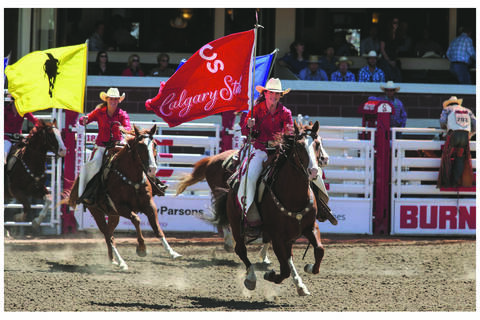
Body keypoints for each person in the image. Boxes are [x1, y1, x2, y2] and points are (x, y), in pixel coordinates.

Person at [238, 78, 293, 237]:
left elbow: (289, 135)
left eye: (277, 94)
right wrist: (248, 126)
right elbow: (245, 133)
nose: (274, 97)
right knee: (250, 177)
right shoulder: (255, 110)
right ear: (266, 93)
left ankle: (316, 209)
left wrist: (280, 144)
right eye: (272, 93)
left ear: (280, 96)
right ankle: (248, 212)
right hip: (260, 149)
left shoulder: (285, 113)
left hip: (279, 151)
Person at [77, 88, 131, 204]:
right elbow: (84, 120)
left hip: (117, 146)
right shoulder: (99, 112)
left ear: (119, 101)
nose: (113, 101)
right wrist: (84, 119)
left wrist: (124, 129)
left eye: (116, 99)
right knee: (94, 164)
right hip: (101, 147)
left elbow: (128, 127)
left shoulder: (122, 114)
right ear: (107, 99)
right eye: (111, 99)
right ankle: (87, 193)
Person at [437, 96, 476, 188]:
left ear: (449, 103)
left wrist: (446, 128)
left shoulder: (447, 109)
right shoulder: (467, 110)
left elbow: (442, 122)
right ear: (458, 103)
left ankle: (446, 182)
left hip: (453, 135)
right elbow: (476, 125)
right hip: (465, 136)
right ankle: (455, 181)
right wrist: (470, 134)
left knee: (447, 156)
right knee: (460, 157)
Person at [4, 90, 39, 165]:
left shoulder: (23, 111)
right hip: (6, 138)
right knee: (3, 156)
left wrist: (34, 129)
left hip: (18, 138)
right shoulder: (5, 110)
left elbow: (36, 121)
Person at [378, 17, 402, 82]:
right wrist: (389, 61)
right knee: (388, 76)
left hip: (394, 60)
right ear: (391, 24)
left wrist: (394, 60)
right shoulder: (385, 34)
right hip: (385, 60)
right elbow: (382, 49)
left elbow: (397, 49)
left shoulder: (398, 35)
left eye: (397, 23)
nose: (396, 24)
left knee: (398, 77)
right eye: (394, 23)